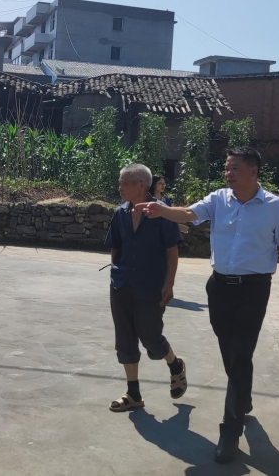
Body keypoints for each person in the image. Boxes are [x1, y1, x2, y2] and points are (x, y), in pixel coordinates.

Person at [137, 147, 279, 464]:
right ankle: (243, 397)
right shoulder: (218, 199)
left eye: (234, 168)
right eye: (226, 168)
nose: (228, 173)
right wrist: (160, 209)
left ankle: (230, 431)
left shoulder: (274, 207)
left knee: (240, 356)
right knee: (230, 353)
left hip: (254, 289)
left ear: (252, 171)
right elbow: (188, 213)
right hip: (219, 288)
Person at [104, 164, 187, 413]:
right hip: (121, 283)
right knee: (124, 337)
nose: (119, 187)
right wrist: (116, 272)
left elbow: (172, 251)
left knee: (150, 336)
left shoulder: (162, 213)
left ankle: (175, 365)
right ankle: (133, 393)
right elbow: (115, 246)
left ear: (140, 185)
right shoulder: (120, 213)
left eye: (123, 183)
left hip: (151, 285)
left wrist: (169, 283)